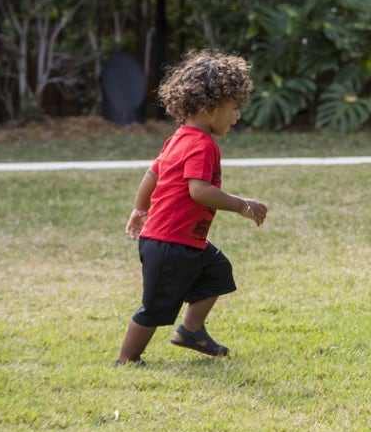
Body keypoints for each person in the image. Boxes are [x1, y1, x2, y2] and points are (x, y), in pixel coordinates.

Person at [114, 49, 269, 366]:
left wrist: (139, 209)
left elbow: (152, 173)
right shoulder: (202, 144)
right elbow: (199, 191)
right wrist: (242, 205)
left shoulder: (178, 138)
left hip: (184, 239)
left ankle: (191, 330)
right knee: (155, 307)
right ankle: (127, 359)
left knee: (217, 272)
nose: (237, 116)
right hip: (170, 242)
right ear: (211, 108)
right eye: (234, 108)